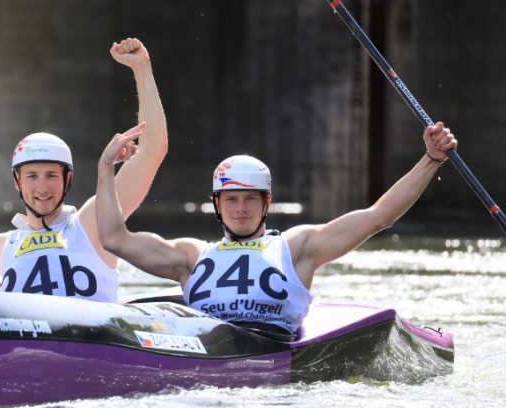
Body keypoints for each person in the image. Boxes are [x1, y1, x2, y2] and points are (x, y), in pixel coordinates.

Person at [96, 121, 458, 339]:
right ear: (216, 205)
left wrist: (431, 160)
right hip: (204, 351)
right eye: (231, 199)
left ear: (266, 203)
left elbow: (379, 216)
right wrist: (106, 167)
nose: (240, 208)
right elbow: (113, 238)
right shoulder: (190, 257)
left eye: (250, 199)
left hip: (272, 352)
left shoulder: (297, 247)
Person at [0, 37, 168, 302]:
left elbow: (152, 151)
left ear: (67, 179)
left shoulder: (92, 223)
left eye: (51, 176)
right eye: (32, 177)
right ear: (17, 182)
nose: (42, 188)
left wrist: (142, 68)